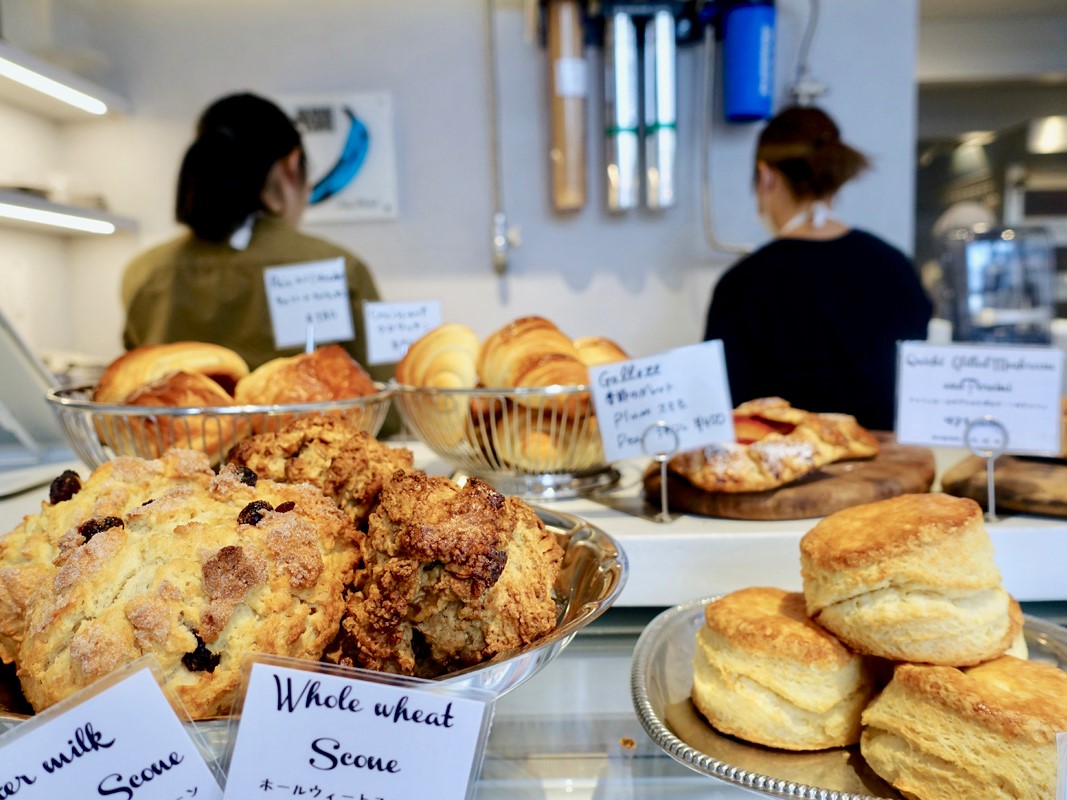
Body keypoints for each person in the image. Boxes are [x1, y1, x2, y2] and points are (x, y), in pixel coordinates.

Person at [121, 91, 389, 385]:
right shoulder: (340, 269)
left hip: (178, 432)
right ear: (291, 165)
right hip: (313, 432)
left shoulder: (144, 272)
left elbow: (132, 386)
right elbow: (383, 403)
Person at [703, 105, 932, 431]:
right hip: (885, 470)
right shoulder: (894, 266)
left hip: (780, 472)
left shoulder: (743, 283)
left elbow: (725, 405)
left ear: (766, 176)